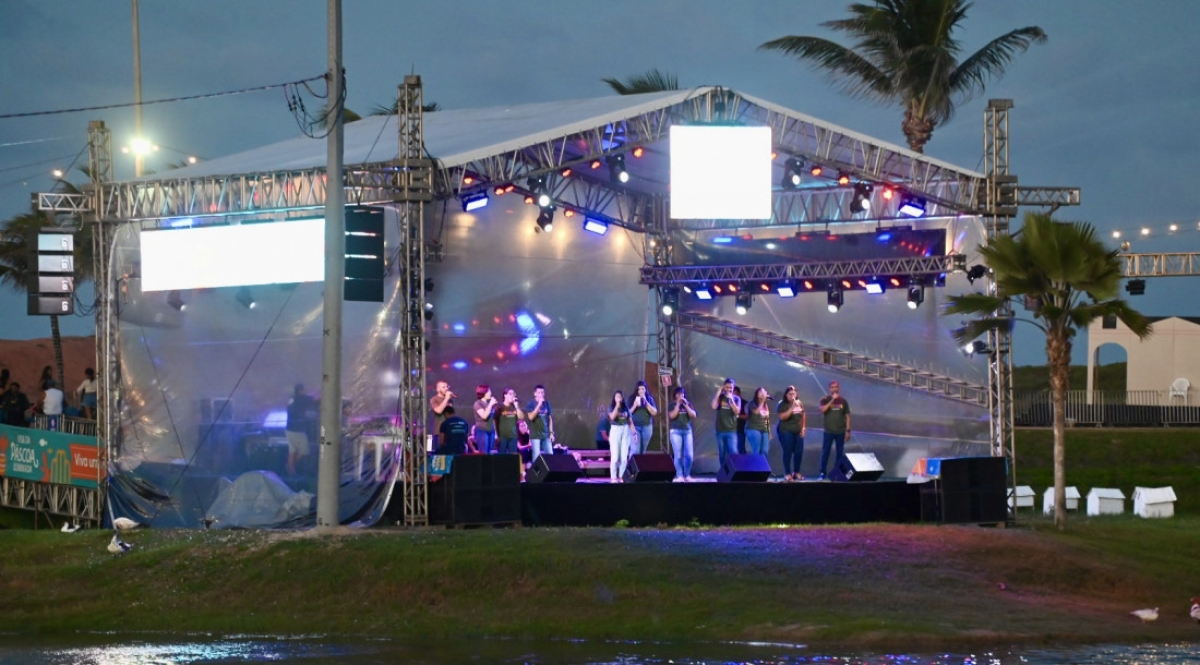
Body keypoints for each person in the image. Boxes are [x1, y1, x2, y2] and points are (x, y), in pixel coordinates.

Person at [817, 380, 852, 480]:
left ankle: (837, 473)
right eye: (832, 387)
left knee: (839, 453)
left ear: (838, 388)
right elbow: (822, 410)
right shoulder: (824, 399)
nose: (834, 389)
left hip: (840, 432)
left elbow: (848, 416)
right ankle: (822, 473)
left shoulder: (843, 401)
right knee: (825, 453)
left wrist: (848, 431)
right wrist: (832, 400)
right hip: (828, 432)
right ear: (829, 389)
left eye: (836, 387)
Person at [776, 385, 806, 481]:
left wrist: (803, 428)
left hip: (797, 431)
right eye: (790, 394)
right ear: (786, 394)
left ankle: (796, 472)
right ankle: (787, 473)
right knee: (787, 451)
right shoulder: (782, 404)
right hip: (786, 430)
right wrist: (792, 407)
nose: (792, 396)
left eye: (793, 394)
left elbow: (803, 415)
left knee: (799, 452)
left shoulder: (799, 403)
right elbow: (782, 417)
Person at [285, 383, 315, 475]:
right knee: (304, 450)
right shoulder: (302, 399)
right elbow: (315, 398)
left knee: (292, 451)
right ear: (301, 391)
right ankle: (290, 466)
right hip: (297, 430)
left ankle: (290, 468)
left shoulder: (292, 399)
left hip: (288, 429)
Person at [667, 386, 696, 481]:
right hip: (675, 431)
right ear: (675, 395)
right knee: (678, 455)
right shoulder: (671, 405)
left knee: (689, 455)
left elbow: (693, 415)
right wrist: (677, 405)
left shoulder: (688, 404)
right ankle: (679, 475)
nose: (680, 396)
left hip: (687, 431)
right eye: (678, 394)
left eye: (682, 394)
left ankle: (687, 474)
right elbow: (672, 416)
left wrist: (686, 405)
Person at [711, 378, 741, 467]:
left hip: (731, 430)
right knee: (722, 453)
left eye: (731, 388)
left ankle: (736, 471)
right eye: (727, 387)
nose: (729, 389)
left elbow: (737, 412)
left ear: (733, 388)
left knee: (733, 452)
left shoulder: (736, 399)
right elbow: (713, 406)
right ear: (724, 387)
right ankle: (724, 473)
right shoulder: (720, 397)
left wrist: (731, 400)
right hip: (720, 430)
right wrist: (718, 392)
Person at [607, 390, 633, 483]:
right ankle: (613, 477)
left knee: (624, 456)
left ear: (622, 398)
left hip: (625, 430)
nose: (618, 398)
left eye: (620, 397)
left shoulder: (626, 408)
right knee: (615, 456)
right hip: (615, 430)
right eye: (616, 396)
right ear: (614, 398)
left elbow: (630, 422)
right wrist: (617, 406)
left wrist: (634, 433)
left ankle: (622, 476)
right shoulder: (611, 407)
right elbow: (612, 417)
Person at [525, 385, 555, 463]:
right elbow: (531, 417)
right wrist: (539, 404)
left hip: (546, 434)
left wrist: (551, 433)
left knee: (550, 455)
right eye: (539, 392)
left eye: (542, 392)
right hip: (535, 435)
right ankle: (535, 474)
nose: (541, 394)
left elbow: (550, 419)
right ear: (535, 394)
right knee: (536, 456)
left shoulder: (547, 403)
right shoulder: (531, 403)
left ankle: (550, 474)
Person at [629, 380, 658, 454]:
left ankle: (639, 465)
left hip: (646, 427)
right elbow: (627, 413)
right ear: (637, 390)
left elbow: (654, 412)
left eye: (643, 389)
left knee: (642, 450)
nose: (641, 391)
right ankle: (631, 465)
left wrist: (646, 403)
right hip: (634, 427)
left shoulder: (649, 399)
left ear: (646, 389)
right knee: (635, 450)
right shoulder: (631, 398)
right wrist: (635, 405)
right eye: (639, 389)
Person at [495, 388, 525, 456]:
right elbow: (494, 420)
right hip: (502, 436)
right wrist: (496, 435)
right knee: (502, 457)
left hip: (513, 436)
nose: (512, 396)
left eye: (513, 394)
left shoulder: (514, 407)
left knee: (513, 457)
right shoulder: (499, 407)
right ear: (505, 395)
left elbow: (521, 417)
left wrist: (517, 406)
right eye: (510, 394)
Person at [745, 387, 771, 456]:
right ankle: (754, 465)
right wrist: (762, 402)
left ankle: (761, 466)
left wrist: (769, 432)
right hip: (753, 428)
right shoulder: (752, 403)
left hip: (764, 429)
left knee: (764, 450)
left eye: (764, 392)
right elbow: (756, 412)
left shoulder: (765, 405)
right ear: (756, 394)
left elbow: (767, 419)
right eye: (761, 392)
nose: (763, 394)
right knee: (756, 449)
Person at [472, 384, 498, 455]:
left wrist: (495, 433)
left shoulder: (489, 404)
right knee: (483, 453)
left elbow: (492, 419)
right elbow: (484, 416)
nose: (491, 393)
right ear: (484, 392)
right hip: (482, 431)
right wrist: (491, 404)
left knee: (489, 452)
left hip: (491, 431)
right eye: (489, 391)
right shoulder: (478, 403)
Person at [429, 380, 455, 448]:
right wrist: (446, 399)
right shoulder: (434, 399)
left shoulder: (450, 400)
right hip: (439, 432)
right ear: (438, 389)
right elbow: (438, 411)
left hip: (449, 432)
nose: (446, 388)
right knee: (440, 456)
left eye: (447, 386)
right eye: (443, 387)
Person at [734, 385, 749, 454]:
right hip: (730, 428)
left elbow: (748, 416)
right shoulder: (730, 403)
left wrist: (737, 416)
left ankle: (744, 462)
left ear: (739, 394)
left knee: (740, 447)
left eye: (735, 394)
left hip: (740, 429)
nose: (734, 396)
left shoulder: (745, 403)